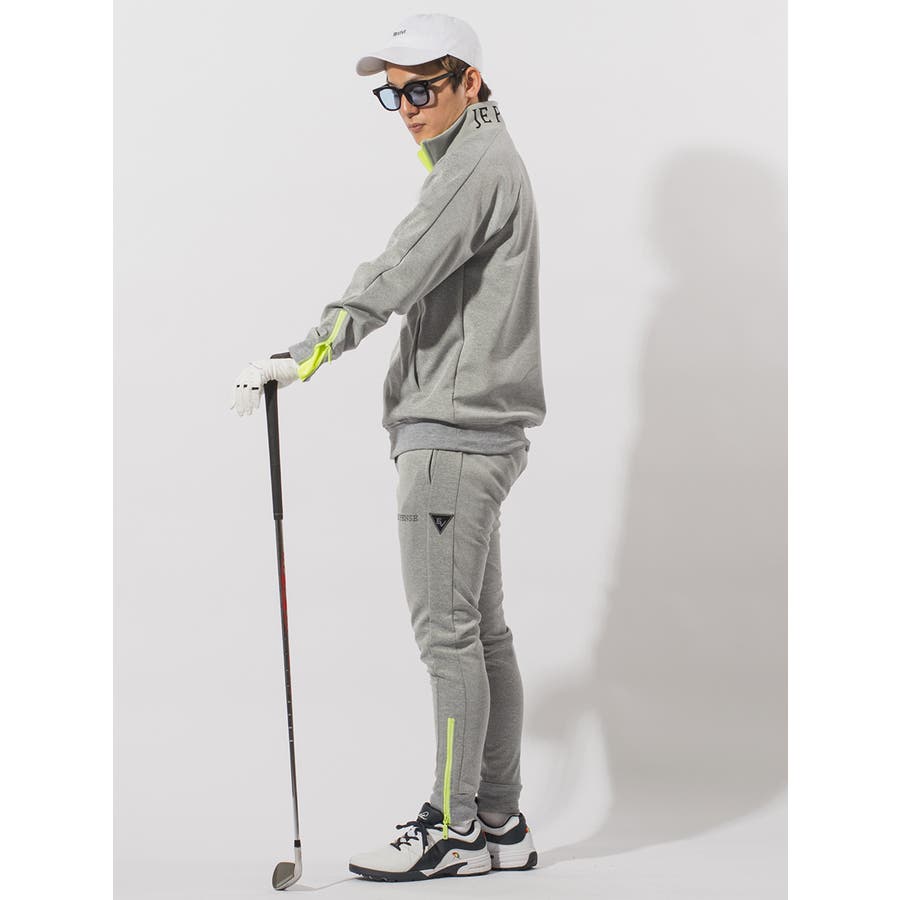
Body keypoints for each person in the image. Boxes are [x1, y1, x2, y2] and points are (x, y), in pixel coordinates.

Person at [230, 13, 545, 882]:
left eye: (423, 88)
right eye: (394, 93)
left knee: (449, 639)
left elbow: (396, 269)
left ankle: (452, 828)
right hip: (481, 435)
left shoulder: (471, 167)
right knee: (480, 635)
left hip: (452, 439)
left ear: (470, 82)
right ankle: (499, 821)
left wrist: (308, 352)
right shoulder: (486, 157)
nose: (407, 107)